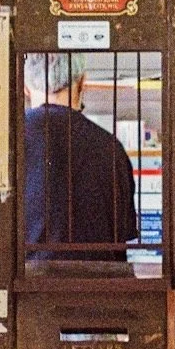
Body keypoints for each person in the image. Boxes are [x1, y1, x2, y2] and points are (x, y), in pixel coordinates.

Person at [22, 55, 139, 264]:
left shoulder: (8, 145)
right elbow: (122, 239)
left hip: (25, 290)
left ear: (25, 87)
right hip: (97, 291)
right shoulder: (111, 149)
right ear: (82, 82)